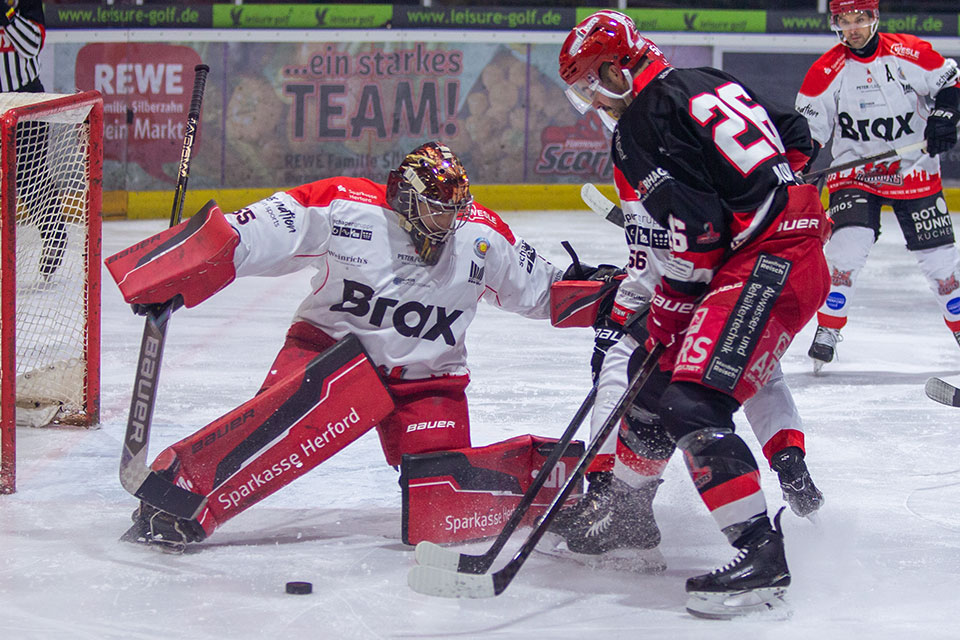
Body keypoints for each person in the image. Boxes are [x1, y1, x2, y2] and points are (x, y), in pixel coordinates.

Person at [105, 141, 566, 551]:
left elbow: (547, 289)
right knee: (286, 422)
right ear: (405, 197)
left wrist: (607, 294)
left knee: (442, 504)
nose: (449, 221)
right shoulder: (344, 207)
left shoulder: (482, 236)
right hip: (328, 354)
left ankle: (557, 486)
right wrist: (181, 263)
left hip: (427, 382)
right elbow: (249, 234)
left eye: (455, 209)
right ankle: (181, 490)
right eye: (436, 209)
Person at [556, 11, 830, 618]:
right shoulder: (704, 78)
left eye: (590, 86)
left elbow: (699, 234)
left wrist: (667, 316)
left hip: (769, 264)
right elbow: (794, 131)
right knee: (651, 387)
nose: (593, 101)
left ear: (616, 67)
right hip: (781, 249)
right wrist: (773, 185)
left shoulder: (637, 128)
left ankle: (761, 553)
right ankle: (625, 508)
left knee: (691, 403)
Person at [796, 0, 960, 373]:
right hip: (856, 173)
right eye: (845, 21)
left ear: (874, 19)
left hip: (913, 168)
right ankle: (828, 328)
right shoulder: (825, 71)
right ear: (835, 23)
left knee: (941, 262)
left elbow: (950, 81)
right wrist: (797, 166)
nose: (853, 29)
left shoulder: (907, 52)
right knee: (846, 248)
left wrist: (945, 115)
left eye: (860, 19)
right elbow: (810, 135)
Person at [1, 0, 66, 279]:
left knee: (30, 177)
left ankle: (54, 236)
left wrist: (7, 15)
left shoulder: (24, 2)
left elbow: (32, 45)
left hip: (25, 102)